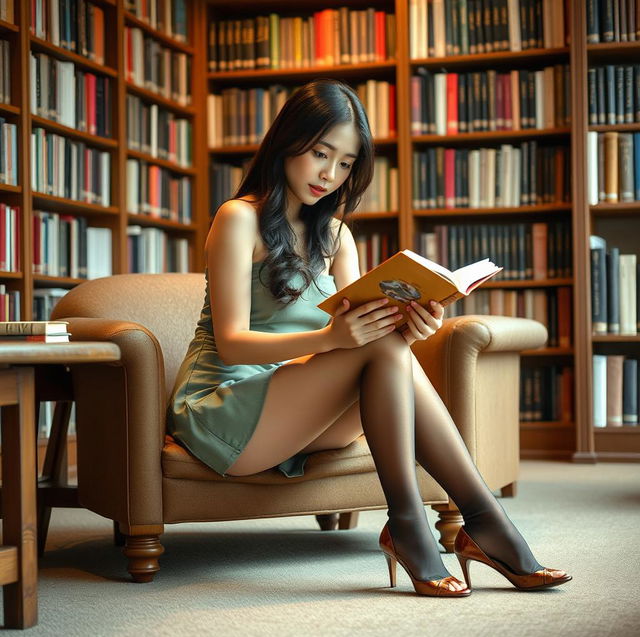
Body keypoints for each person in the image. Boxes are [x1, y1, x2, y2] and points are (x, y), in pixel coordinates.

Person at [167, 79, 571, 597]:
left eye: (345, 164)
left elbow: (359, 335)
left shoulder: (336, 234)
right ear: (288, 140)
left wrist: (413, 325)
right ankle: (450, 523)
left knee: (390, 344)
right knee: (377, 346)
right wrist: (337, 337)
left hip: (299, 408)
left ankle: (457, 522)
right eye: (320, 153)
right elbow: (232, 344)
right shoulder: (238, 218)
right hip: (225, 406)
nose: (329, 175)